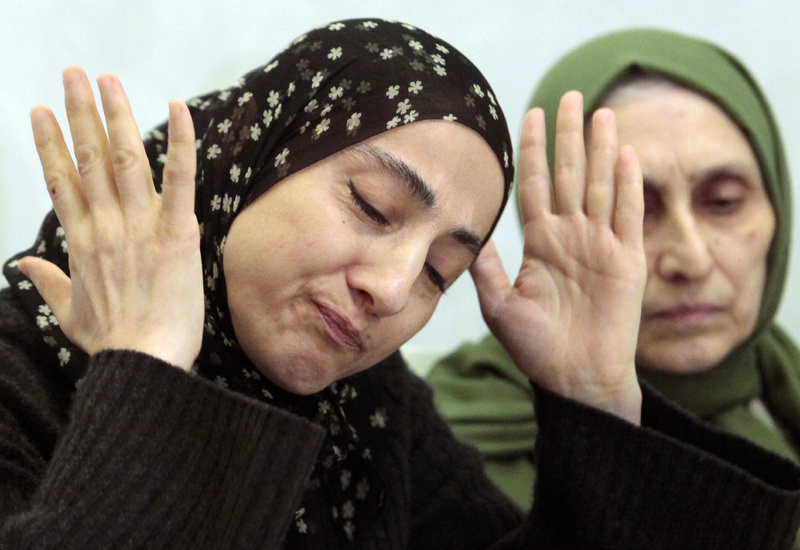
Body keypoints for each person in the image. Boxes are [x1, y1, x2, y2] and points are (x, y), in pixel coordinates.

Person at [1, 19, 799, 549]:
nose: (391, 287)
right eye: (372, 206)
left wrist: (596, 399)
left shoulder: (375, 411)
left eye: (438, 272)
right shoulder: (17, 373)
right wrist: (145, 376)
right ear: (249, 160)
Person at [427, 26, 800, 521]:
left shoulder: (784, 387)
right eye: (632, 210)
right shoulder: (453, 441)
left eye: (725, 202)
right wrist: (593, 417)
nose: (690, 260)